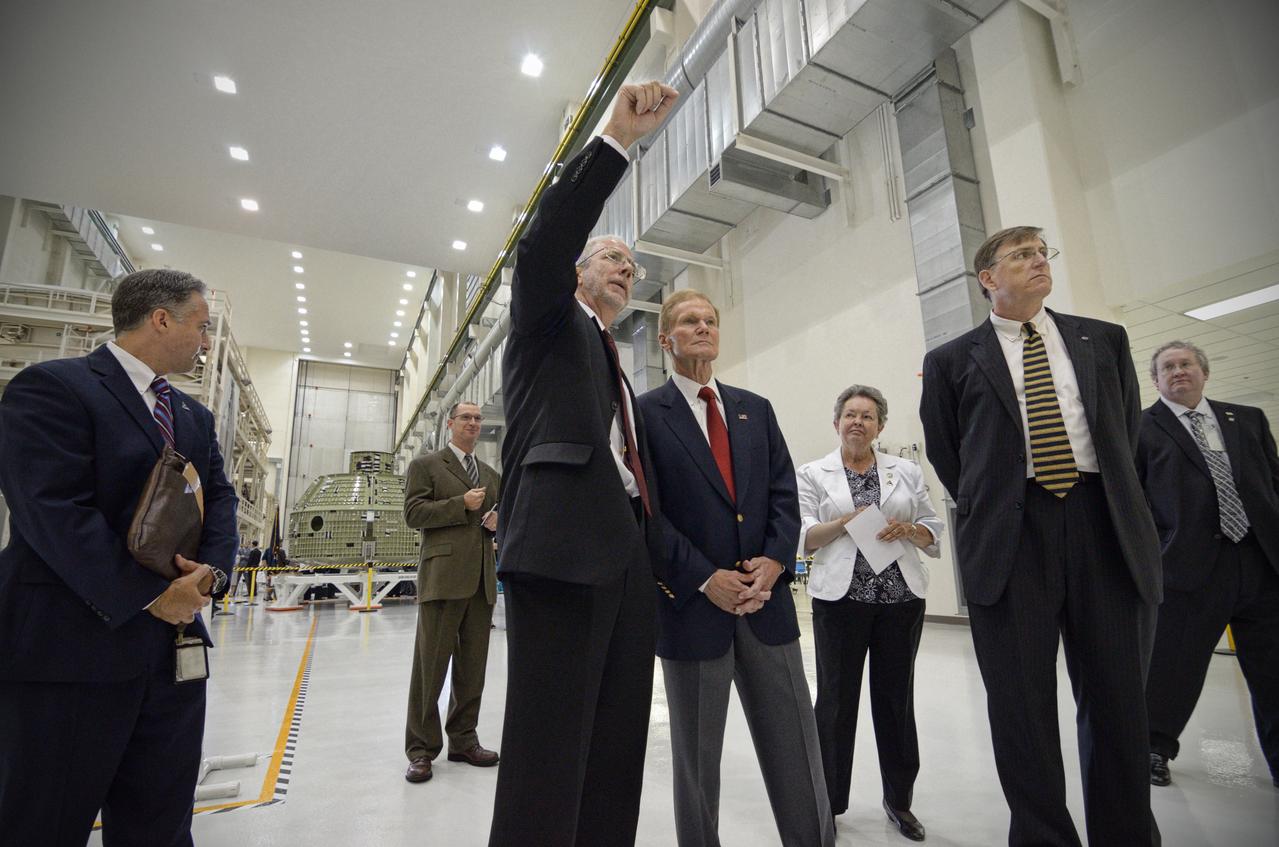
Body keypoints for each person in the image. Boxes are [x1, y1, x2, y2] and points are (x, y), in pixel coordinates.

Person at [919, 226, 1162, 846]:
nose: (1037, 262)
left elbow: (1125, 430)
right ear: (988, 279)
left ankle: (1126, 835)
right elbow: (950, 454)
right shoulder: (951, 361)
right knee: (1021, 707)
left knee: (1117, 700)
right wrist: (999, 501)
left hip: (1102, 523)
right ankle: (1042, 836)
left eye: (1041, 253)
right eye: (1021, 255)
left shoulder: (1102, 339)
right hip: (1011, 533)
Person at [489, 80, 678, 847]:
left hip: (623, 553)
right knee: (548, 747)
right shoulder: (545, 318)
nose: (625, 269)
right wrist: (615, 140)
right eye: (610, 257)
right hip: (561, 549)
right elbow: (543, 242)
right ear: (575, 272)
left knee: (616, 740)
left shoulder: (611, 355)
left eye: (632, 264)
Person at [0, 268, 238, 847]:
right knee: (44, 820)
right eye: (201, 326)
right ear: (162, 320)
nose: (206, 342)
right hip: (72, 655)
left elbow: (220, 499)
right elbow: (52, 511)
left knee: (160, 822)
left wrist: (210, 576)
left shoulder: (193, 416)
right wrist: (154, 595)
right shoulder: (53, 388)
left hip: (172, 658)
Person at [636, 290, 834, 847]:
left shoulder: (755, 409)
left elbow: (783, 494)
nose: (703, 328)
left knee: (798, 747)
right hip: (694, 610)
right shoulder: (644, 415)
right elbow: (647, 513)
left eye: (710, 320)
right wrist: (705, 577)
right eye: (689, 321)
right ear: (665, 338)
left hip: (766, 605)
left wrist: (775, 561)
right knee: (697, 762)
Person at [796, 384, 944, 841]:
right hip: (840, 602)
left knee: (896, 703)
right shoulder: (812, 473)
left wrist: (910, 529)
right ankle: (828, 803)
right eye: (850, 415)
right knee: (835, 704)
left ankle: (899, 801)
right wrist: (845, 522)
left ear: (880, 426)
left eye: (867, 416)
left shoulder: (906, 471)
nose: (858, 422)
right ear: (836, 422)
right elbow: (804, 536)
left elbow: (933, 528)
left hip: (901, 601)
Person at [1137, 340, 1279, 789]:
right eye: (1168, 367)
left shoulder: (1247, 419)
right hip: (1187, 567)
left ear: (1204, 372)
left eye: (1186, 364)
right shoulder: (1140, 428)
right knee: (1173, 667)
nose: (1178, 371)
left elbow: (1273, 483)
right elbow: (1135, 502)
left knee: (1274, 669)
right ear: (1155, 380)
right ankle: (1153, 748)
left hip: (1259, 562)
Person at [402, 400, 501, 784]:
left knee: (472, 668)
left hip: (480, 580)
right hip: (442, 578)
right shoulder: (426, 465)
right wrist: (460, 504)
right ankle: (421, 749)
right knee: (430, 668)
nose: (473, 423)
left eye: (477, 418)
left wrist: (498, 520)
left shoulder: (490, 474)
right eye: (466, 418)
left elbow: (498, 516)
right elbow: (413, 514)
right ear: (450, 423)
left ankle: (463, 740)